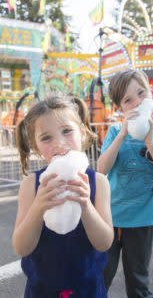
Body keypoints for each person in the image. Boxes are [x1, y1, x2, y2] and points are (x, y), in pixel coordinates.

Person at [12, 92, 114, 298]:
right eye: (46, 138)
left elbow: (104, 243)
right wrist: (39, 206)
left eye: (67, 131)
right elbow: (21, 247)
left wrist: (85, 205)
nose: (58, 143)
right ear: (37, 148)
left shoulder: (99, 182)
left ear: (83, 133)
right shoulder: (31, 185)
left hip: (89, 290)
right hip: (42, 290)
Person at [97, 69, 153, 298]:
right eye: (128, 100)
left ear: (151, 93)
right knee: (101, 274)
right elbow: (101, 170)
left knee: (137, 278)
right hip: (109, 217)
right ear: (120, 109)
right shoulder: (114, 131)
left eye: (142, 93)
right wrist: (122, 134)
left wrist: (151, 143)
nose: (137, 103)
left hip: (142, 218)